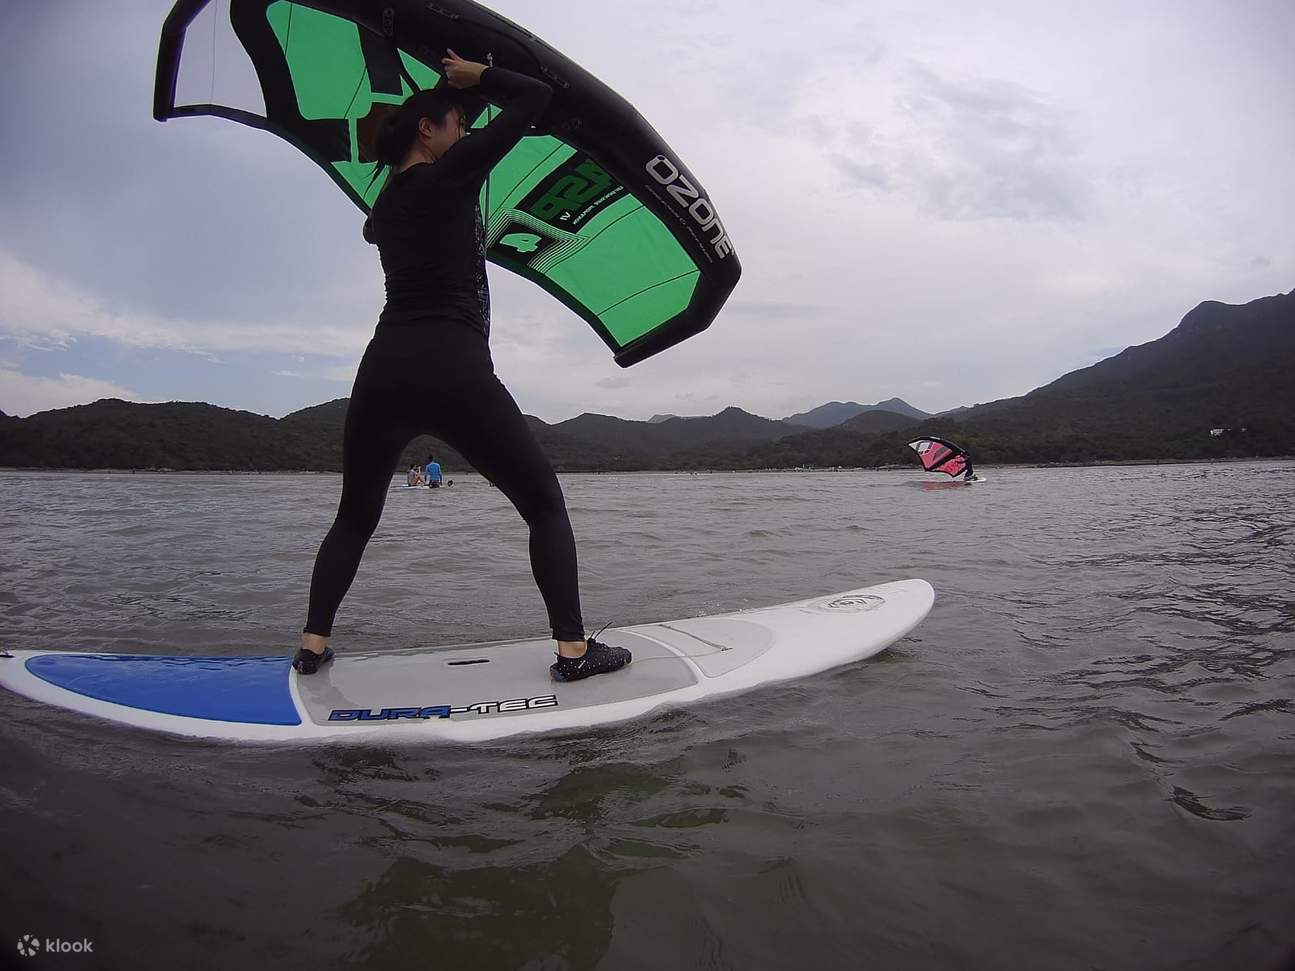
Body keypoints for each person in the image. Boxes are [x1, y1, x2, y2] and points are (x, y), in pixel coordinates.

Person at [294, 50, 630, 685]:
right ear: (427, 130)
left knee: (355, 515)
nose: (467, 133)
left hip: (383, 370)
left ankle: (312, 646)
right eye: (458, 124)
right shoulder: (448, 177)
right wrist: (480, 78)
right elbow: (533, 99)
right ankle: (573, 652)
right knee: (544, 505)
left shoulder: (384, 209)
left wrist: (447, 106)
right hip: (453, 365)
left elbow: (384, 224)